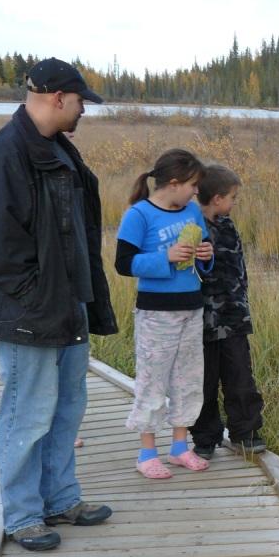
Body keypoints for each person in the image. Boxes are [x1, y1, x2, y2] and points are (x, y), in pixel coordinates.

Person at [0, 58, 117, 551]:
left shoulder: (58, 150)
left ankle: (60, 498)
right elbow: (1, 248)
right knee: (27, 413)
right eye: (79, 102)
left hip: (68, 304)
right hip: (30, 313)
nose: (83, 111)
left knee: (68, 408)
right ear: (56, 98)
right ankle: (24, 515)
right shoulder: (6, 153)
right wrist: (35, 299)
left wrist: (75, 296)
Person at [115, 149, 214, 479]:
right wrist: (166, 257)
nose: (197, 192)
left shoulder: (192, 212)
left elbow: (205, 258)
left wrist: (205, 255)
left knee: (188, 380)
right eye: (193, 185)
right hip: (156, 313)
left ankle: (179, 448)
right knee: (152, 381)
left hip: (192, 308)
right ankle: (146, 454)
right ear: (174, 183)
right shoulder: (139, 215)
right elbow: (124, 264)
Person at [190, 165, 266, 458]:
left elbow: (239, 270)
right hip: (204, 319)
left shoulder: (228, 225)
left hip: (234, 316)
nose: (235, 203)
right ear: (218, 198)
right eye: (233, 197)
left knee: (240, 375)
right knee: (205, 380)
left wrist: (243, 302)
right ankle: (206, 438)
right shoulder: (193, 228)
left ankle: (245, 432)